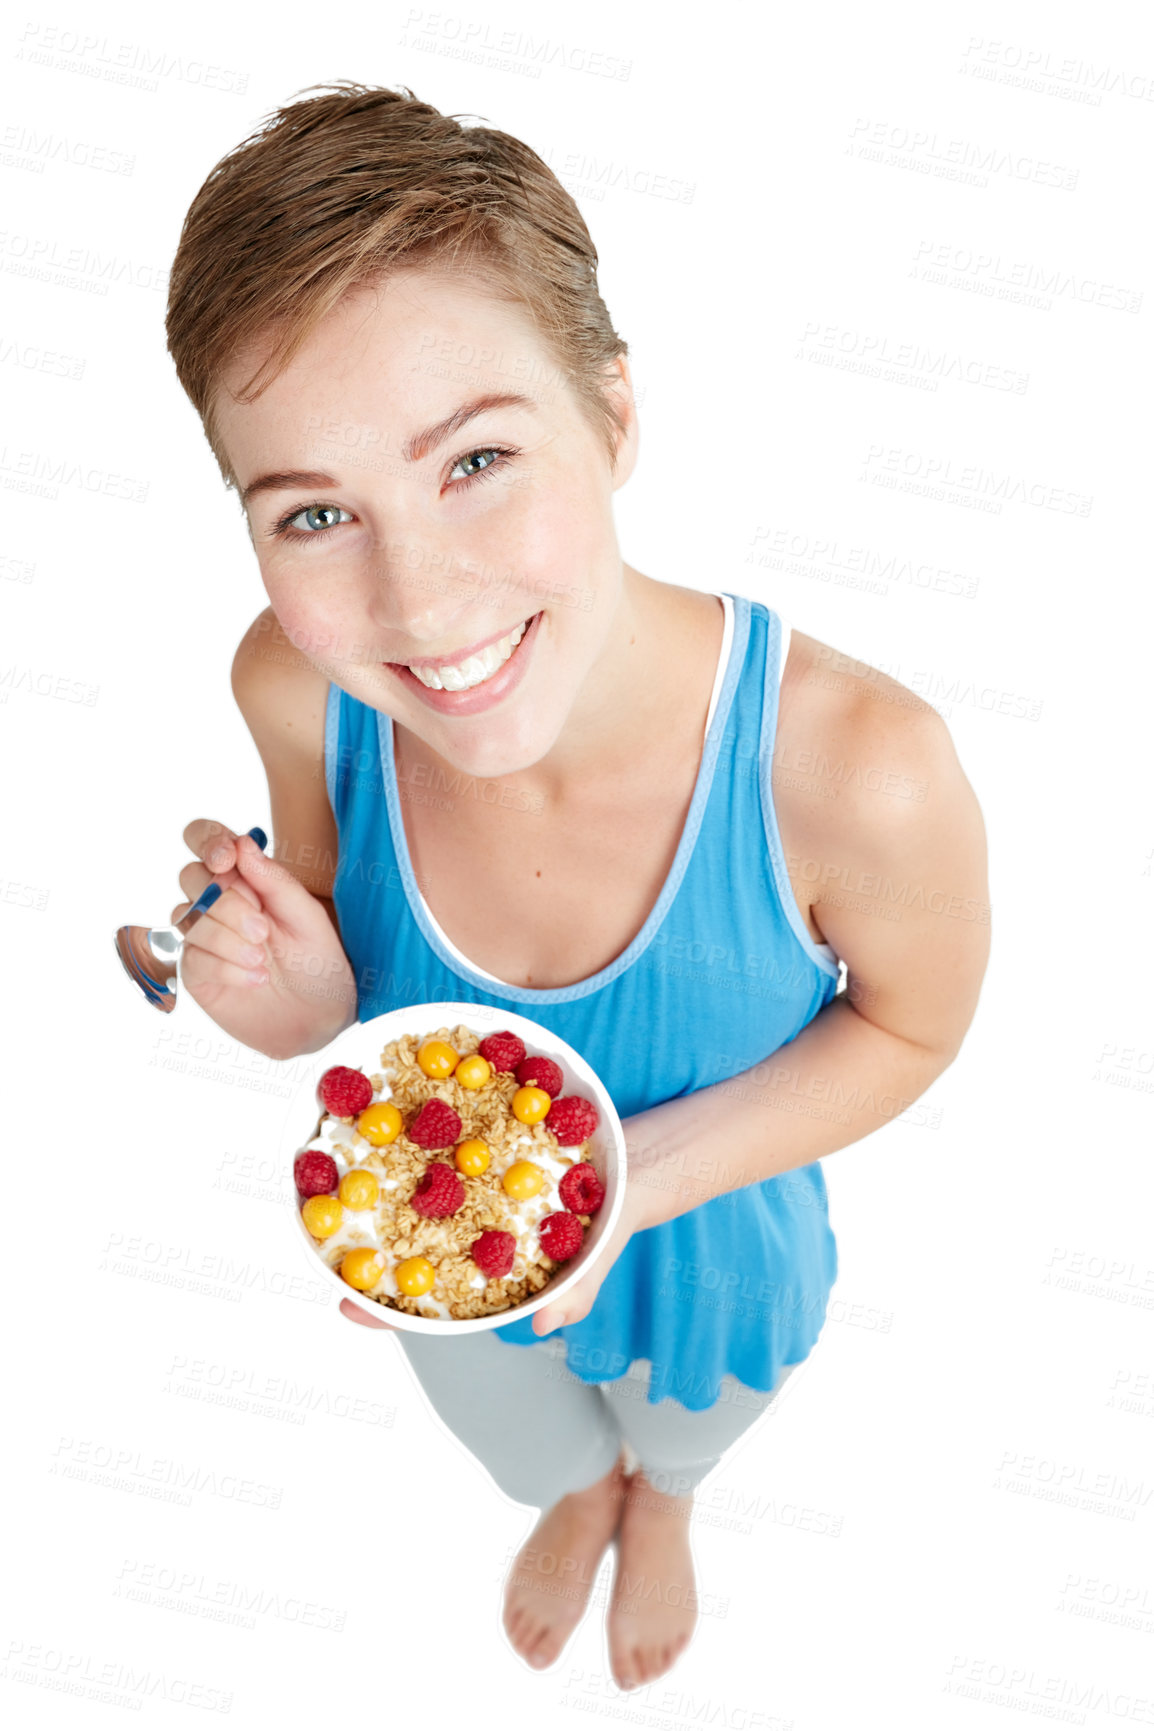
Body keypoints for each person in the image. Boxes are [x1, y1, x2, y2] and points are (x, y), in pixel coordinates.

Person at [163, 81, 990, 1690]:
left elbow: (907, 1034)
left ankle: (662, 1504)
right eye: (317, 513)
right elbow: (347, 987)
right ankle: (572, 1494)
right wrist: (301, 1012)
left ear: (613, 418)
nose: (417, 597)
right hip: (446, 1258)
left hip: (716, 1250)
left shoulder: (856, 766)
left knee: (692, 1427)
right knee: (513, 1435)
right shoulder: (293, 686)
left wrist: (619, 1191)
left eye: (475, 458)